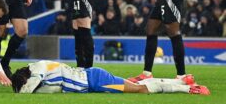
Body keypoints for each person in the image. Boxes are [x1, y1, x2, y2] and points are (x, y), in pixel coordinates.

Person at [11, 60, 210, 95]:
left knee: (140, 89)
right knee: (137, 84)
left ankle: (187, 89)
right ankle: (182, 81)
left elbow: (31, 86)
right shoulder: (42, 71)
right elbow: (48, 89)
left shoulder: (38, 68)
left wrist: (20, 92)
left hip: (95, 80)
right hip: (93, 77)